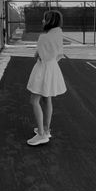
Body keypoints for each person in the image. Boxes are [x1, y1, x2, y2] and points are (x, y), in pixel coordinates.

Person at [26, 9, 67, 146]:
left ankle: (42, 135)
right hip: (52, 68)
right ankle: (46, 129)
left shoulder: (44, 36)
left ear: (50, 21)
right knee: (47, 98)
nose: (43, 21)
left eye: (45, 18)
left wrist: (38, 54)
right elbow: (59, 55)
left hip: (43, 69)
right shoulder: (58, 34)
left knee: (34, 101)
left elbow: (38, 56)